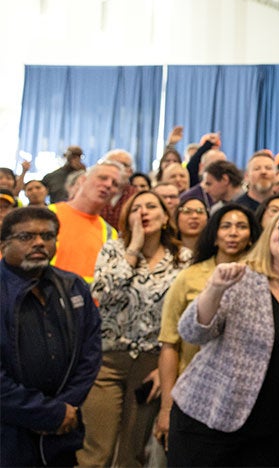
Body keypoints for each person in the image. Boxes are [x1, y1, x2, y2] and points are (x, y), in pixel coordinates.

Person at [168, 210, 279, 466]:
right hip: (210, 418)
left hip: (268, 429)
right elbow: (192, 332)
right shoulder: (242, 277)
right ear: (268, 236)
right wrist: (214, 289)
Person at [77, 192, 190, 467]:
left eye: (151, 206)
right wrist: (134, 248)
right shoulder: (113, 250)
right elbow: (104, 295)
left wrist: (168, 370)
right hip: (108, 361)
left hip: (152, 363)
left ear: (165, 217)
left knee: (133, 453)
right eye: (136, 208)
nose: (143, 212)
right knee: (96, 452)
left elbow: (185, 316)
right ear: (127, 218)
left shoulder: (183, 257)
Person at [154, 204, 260, 455]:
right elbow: (169, 344)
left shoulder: (262, 278)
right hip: (193, 392)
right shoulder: (189, 277)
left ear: (251, 237)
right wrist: (166, 408)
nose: (233, 233)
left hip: (245, 397)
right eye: (226, 226)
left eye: (241, 226)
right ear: (214, 235)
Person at [1, 207, 101, 467]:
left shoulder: (73, 286)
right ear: (3, 244)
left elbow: (90, 352)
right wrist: (44, 413)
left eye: (47, 236)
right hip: (8, 432)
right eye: (26, 237)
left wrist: (64, 409)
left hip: (63, 430)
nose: (39, 243)